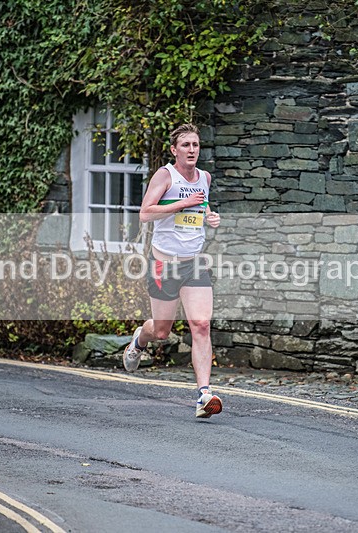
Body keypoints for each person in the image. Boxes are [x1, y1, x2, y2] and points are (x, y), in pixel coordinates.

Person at [122, 123, 223, 419]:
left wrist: (209, 216)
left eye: (195, 145)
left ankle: (204, 395)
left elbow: (200, 209)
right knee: (162, 331)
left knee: (201, 325)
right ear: (174, 150)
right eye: (186, 145)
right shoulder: (165, 175)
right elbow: (145, 213)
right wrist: (181, 204)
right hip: (163, 264)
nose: (192, 150)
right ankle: (142, 336)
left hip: (193, 263)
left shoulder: (204, 177)